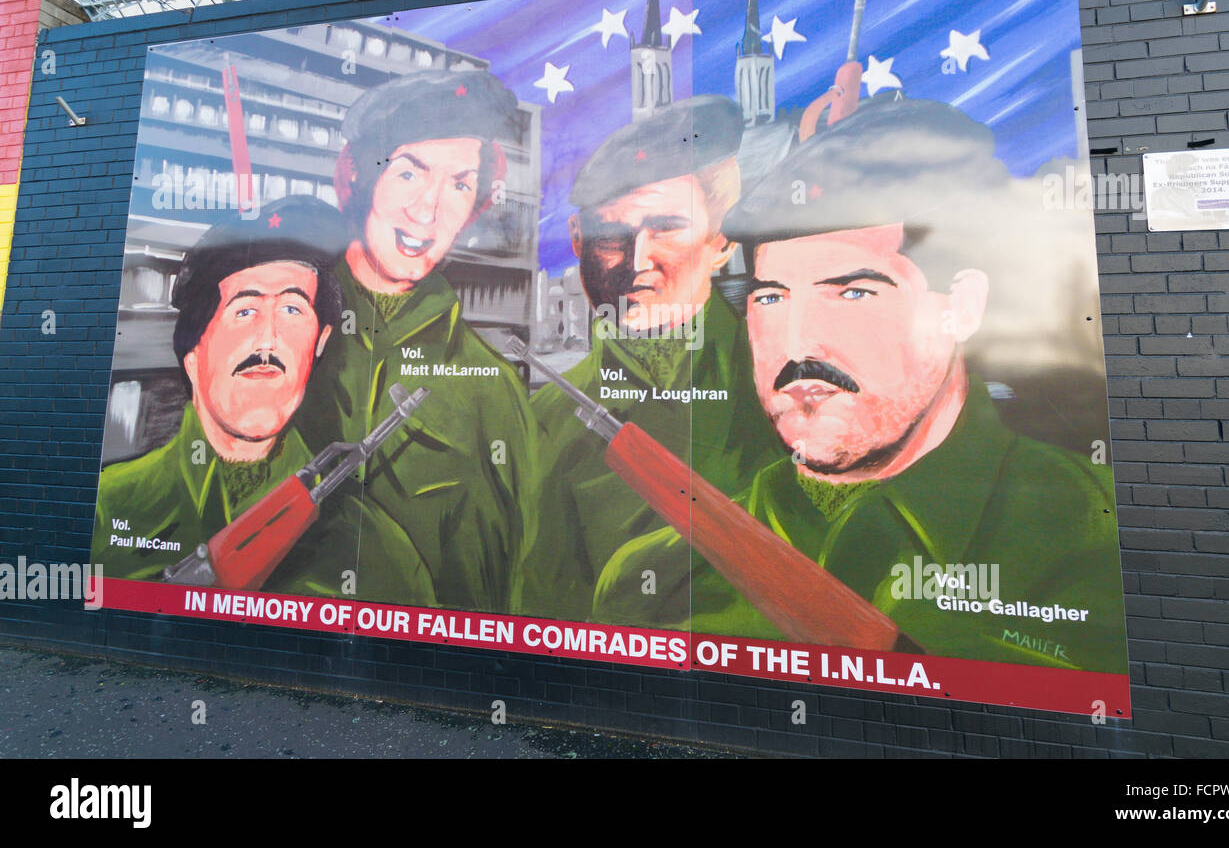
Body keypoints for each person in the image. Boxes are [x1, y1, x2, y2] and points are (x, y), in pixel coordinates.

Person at [593, 95, 1128, 674]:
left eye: (853, 293)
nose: (797, 345)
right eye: (770, 297)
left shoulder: (1096, 543)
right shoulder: (660, 574)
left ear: (963, 307)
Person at [518, 96, 785, 622]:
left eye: (665, 227)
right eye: (611, 235)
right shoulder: (545, 421)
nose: (638, 260)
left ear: (721, 243)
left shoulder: (786, 388)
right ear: (577, 242)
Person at [92, 197, 433, 603]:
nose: (269, 340)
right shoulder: (105, 509)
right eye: (245, 310)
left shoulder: (377, 552)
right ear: (192, 351)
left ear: (320, 343)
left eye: (292, 309)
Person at [297, 69, 538, 614]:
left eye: (459, 184)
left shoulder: (493, 394)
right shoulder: (281, 331)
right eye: (408, 172)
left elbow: (496, 595)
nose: (428, 211)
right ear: (356, 176)